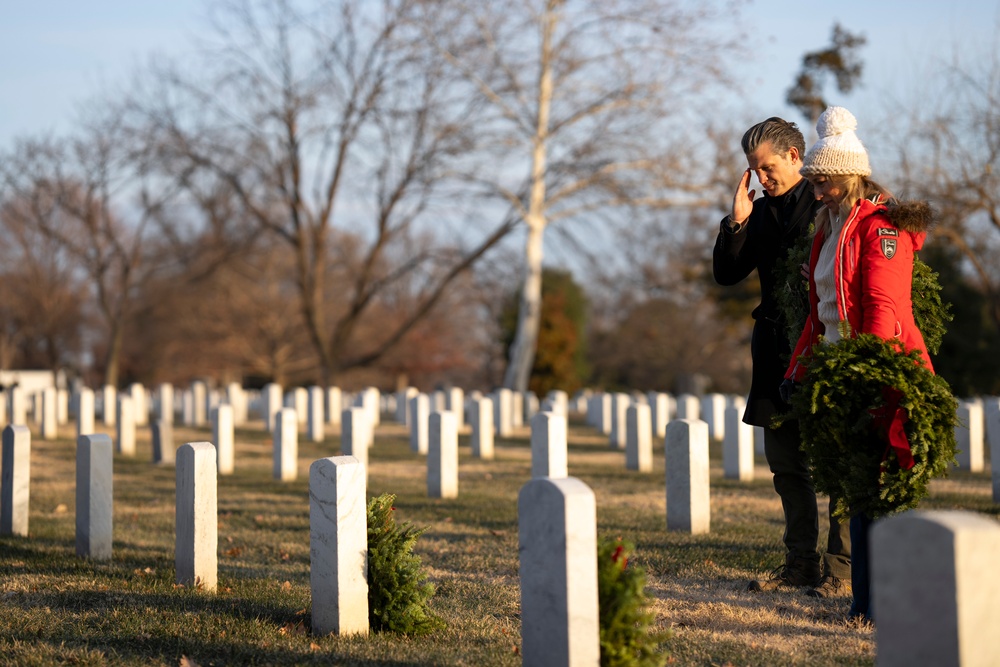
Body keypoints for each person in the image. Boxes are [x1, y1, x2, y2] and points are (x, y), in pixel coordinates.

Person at [783, 106, 934, 621]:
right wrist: (797, 372)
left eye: (822, 182)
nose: (816, 192)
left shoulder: (880, 229)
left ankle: (881, 602)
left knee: (877, 494)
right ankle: (864, 604)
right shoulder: (828, 229)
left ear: (848, 177)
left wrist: (866, 377)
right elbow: (820, 312)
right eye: (813, 182)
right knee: (856, 490)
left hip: (878, 374)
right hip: (838, 372)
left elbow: (881, 309)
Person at [713, 117, 851, 596]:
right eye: (754, 170)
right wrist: (737, 222)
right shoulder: (759, 212)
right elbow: (727, 274)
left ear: (795, 156)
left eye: (767, 167)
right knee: (786, 465)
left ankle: (841, 570)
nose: (761, 177)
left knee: (837, 461)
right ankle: (800, 565)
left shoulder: (826, 202)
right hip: (774, 349)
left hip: (823, 343)